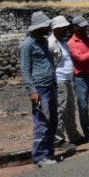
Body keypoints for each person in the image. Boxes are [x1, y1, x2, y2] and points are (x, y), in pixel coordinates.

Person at [19, 11, 59, 167]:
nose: (48, 28)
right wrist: (32, 90)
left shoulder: (43, 41)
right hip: (39, 88)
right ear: (37, 27)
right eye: (45, 26)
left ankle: (48, 152)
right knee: (42, 122)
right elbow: (25, 69)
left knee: (53, 121)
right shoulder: (27, 45)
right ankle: (39, 157)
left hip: (50, 85)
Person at [47, 15, 85, 148]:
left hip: (67, 80)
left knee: (70, 109)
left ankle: (74, 136)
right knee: (61, 110)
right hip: (59, 80)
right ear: (56, 29)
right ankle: (58, 140)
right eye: (63, 28)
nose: (66, 30)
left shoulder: (62, 42)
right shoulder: (51, 43)